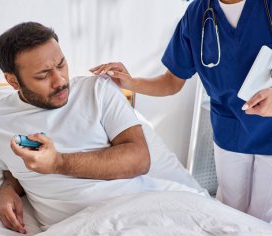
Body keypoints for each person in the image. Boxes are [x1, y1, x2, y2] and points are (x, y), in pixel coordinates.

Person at [0, 22, 204, 234]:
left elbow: (139, 159)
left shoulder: (97, 90)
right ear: (13, 81)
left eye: (61, 64)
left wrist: (59, 163)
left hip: (140, 209)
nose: (60, 80)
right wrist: (8, 189)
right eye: (43, 75)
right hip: (74, 231)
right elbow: (13, 168)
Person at [90, 0, 272, 222]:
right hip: (230, 130)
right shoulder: (197, 13)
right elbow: (171, 82)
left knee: (264, 218)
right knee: (231, 214)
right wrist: (130, 82)